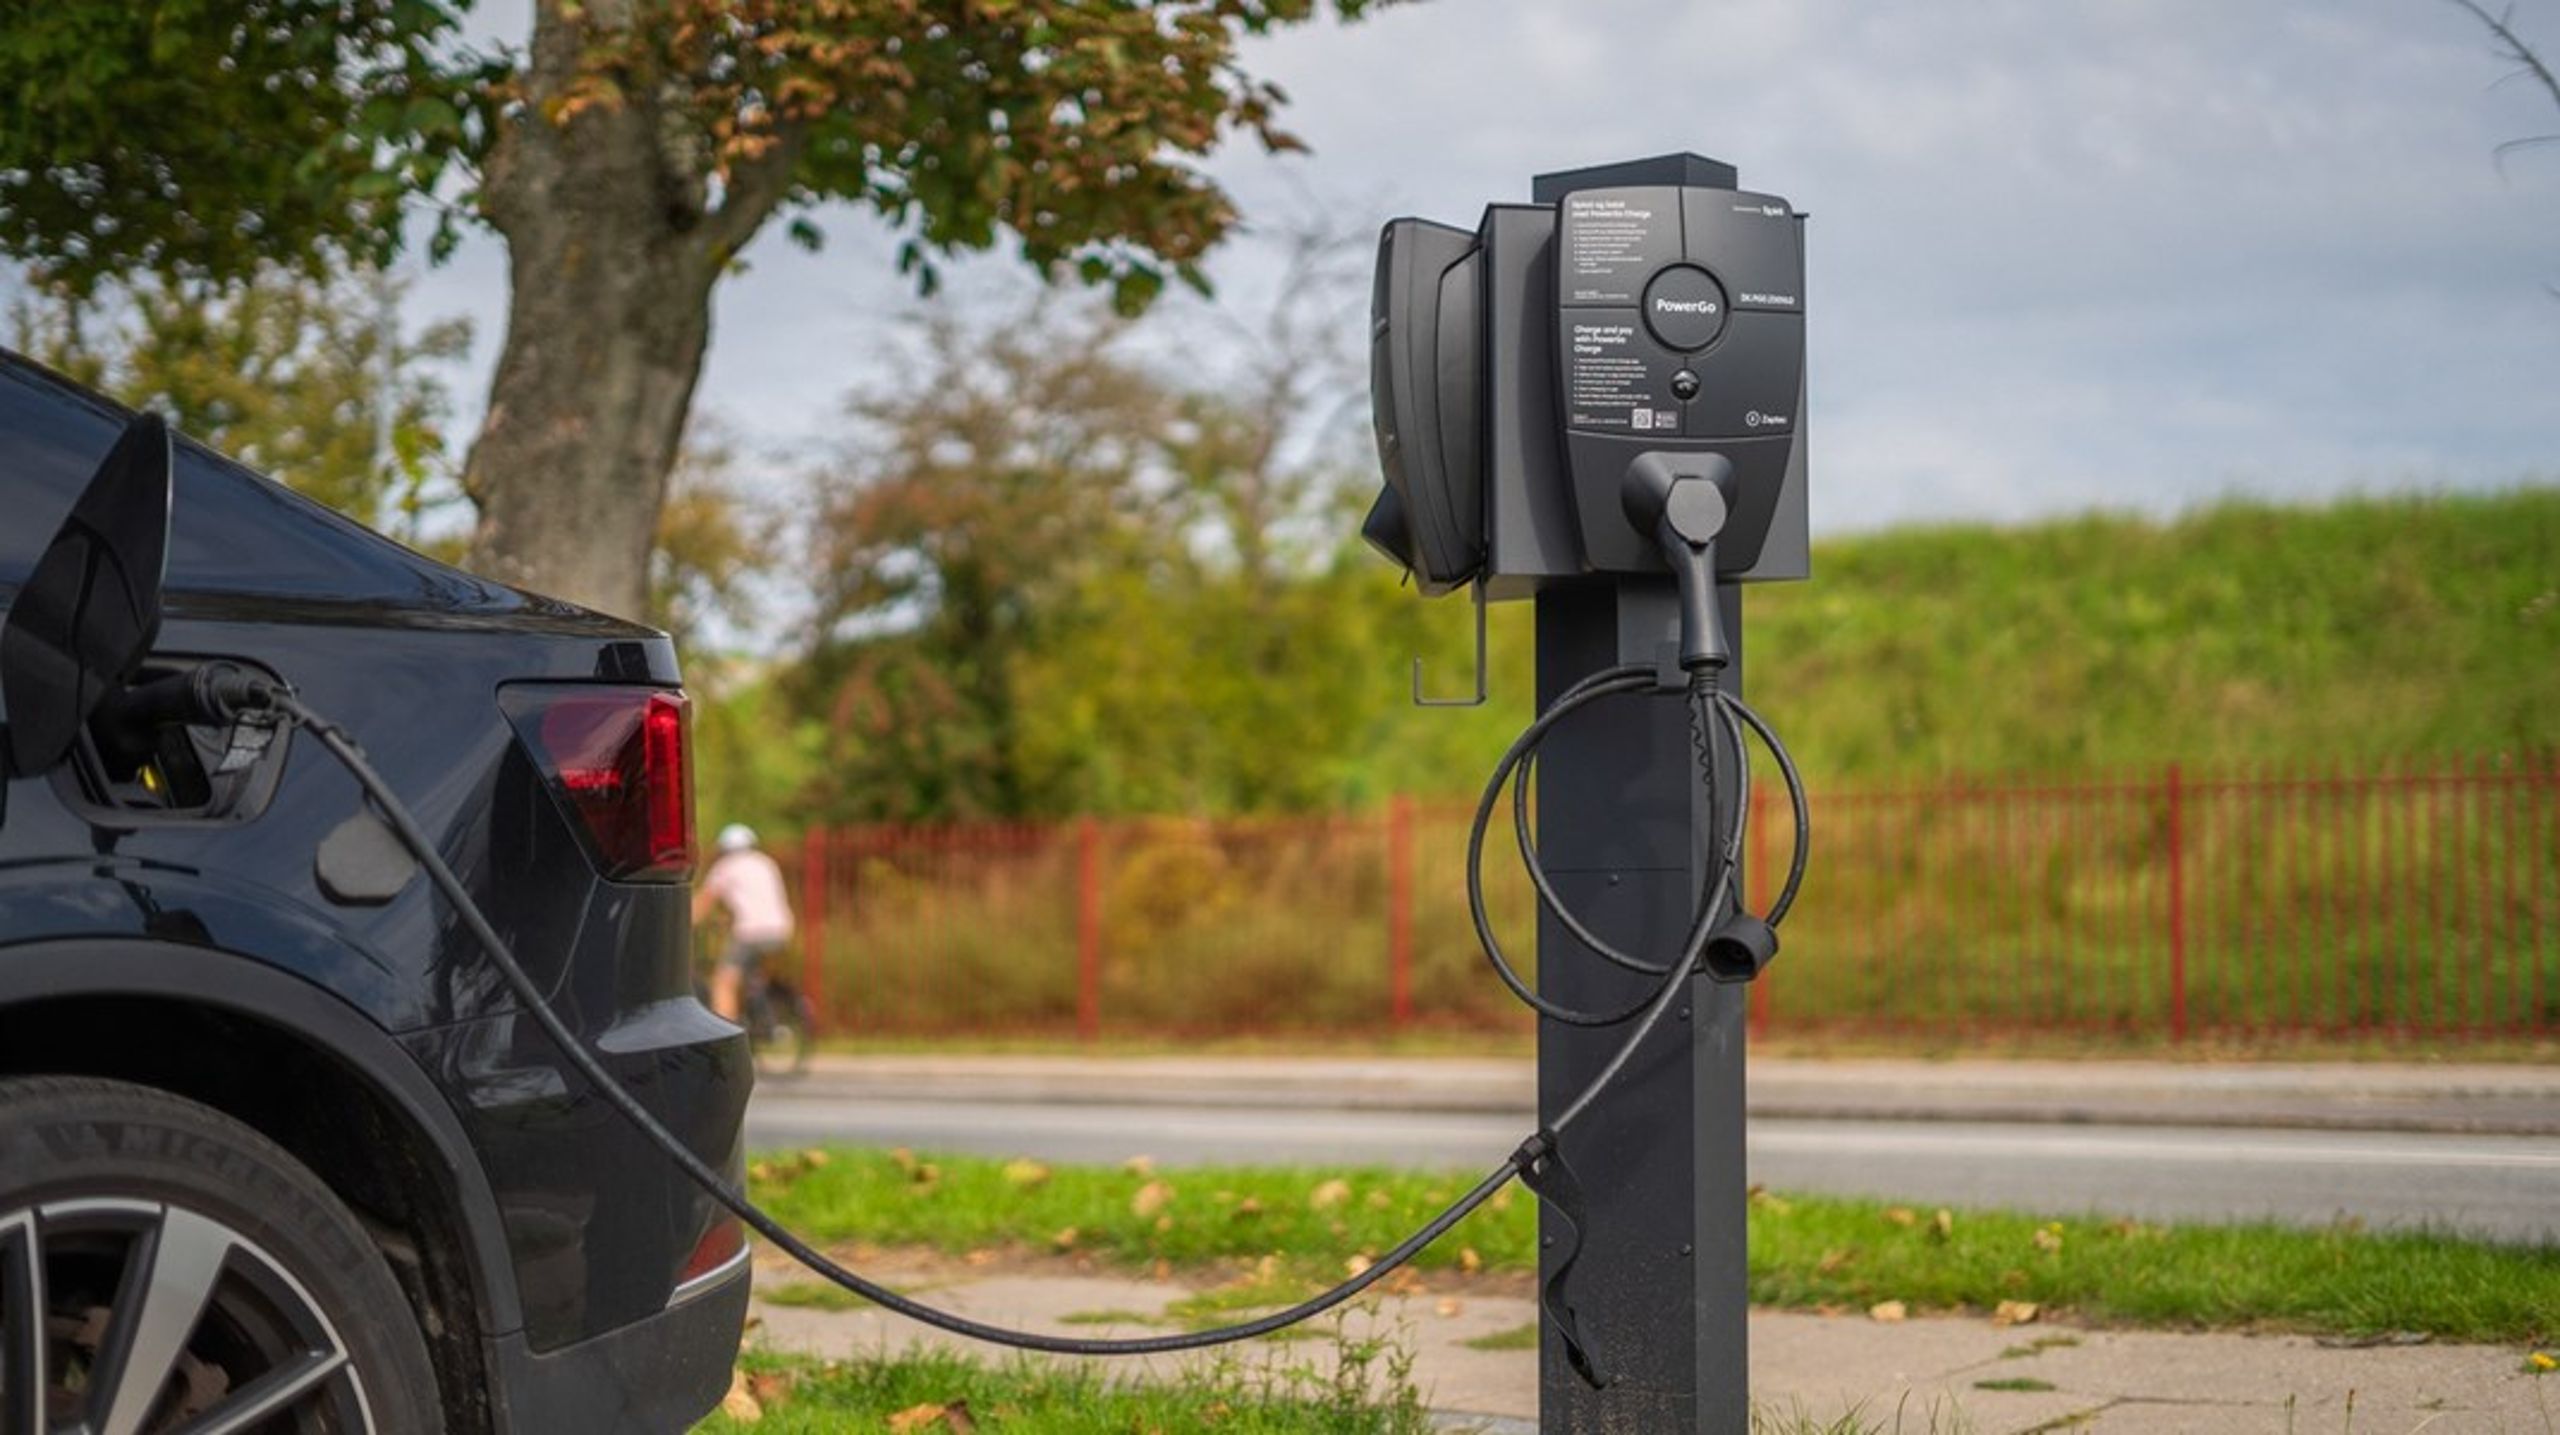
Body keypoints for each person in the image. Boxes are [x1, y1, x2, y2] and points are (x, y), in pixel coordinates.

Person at [692, 823, 795, 1023]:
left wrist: (685, 921)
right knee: (749, 975)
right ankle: (759, 1014)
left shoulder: (726, 866)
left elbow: (704, 902)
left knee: (723, 982)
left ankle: (724, 1035)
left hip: (752, 932)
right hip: (781, 930)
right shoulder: (766, 862)